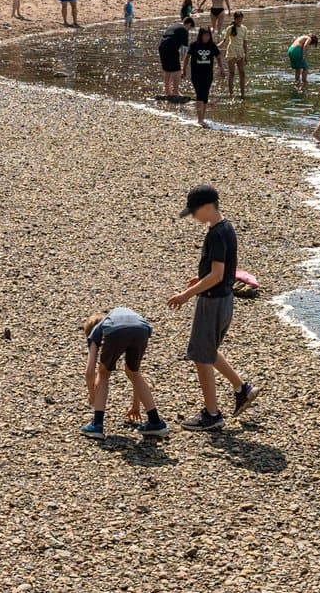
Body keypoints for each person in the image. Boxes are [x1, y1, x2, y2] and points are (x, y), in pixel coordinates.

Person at [166, 186, 258, 432]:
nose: (193, 217)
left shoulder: (217, 234)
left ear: (207, 207)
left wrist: (186, 295)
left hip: (213, 301)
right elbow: (224, 269)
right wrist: (200, 279)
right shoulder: (226, 228)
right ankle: (242, 389)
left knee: (201, 356)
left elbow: (217, 275)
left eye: (194, 211)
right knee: (208, 349)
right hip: (223, 299)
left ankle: (212, 414)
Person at [79, 307, 168, 439]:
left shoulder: (97, 330)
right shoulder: (115, 316)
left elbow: (89, 371)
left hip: (117, 331)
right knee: (134, 372)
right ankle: (155, 422)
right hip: (142, 328)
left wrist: (92, 395)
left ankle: (96, 425)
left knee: (103, 373)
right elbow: (133, 374)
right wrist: (136, 405)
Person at [185, 26, 223, 127]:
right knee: (199, 95)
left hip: (208, 74)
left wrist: (221, 69)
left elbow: (218, 56)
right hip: (196, 74)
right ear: (200, 35)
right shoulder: (194, 45)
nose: (206, 37)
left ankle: (203, 118)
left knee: (205, 96)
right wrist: (183, 70)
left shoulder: (212, 46)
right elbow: (187, 57)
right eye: (204, 35)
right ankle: (200, 119)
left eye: (208, 36)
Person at [157, 18, 190, 100]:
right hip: (171, 47)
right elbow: (184, 48)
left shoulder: (173, 26)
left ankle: (167, 91)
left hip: (162, 46)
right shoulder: (184, 30)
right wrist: (182, 61)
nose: (189, 30)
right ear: (189, 24)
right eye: (190, 28)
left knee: (167, 70)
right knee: (177, 70)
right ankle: (175, 92)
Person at [221, 11, 248, 99]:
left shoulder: (244, 28)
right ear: (235, 19)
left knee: (242, 73)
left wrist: (246, 55)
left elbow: (245, 43)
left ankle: (242, 94)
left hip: (240, 52)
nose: (239, 20)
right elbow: (224, 41)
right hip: (232, 51)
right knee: (232, 73)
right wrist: (215, 46)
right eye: (238, 18)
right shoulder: (230, 28)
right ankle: (231, 94)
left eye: (241, 18)